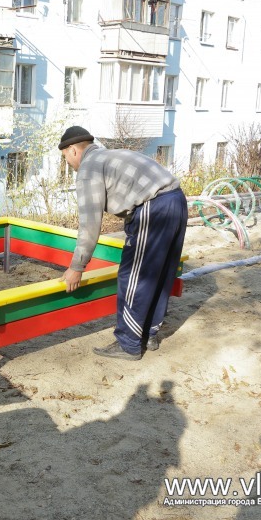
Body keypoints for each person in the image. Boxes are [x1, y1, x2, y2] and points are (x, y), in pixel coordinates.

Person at [58, 126, 188, 361]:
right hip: (176, 201)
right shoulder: (110, 156)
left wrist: (77, 267)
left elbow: (89, 223)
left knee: (133, 276)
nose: (68, 163)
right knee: (159, 273)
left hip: (154, 208)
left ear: (73, 150)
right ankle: (149, 333)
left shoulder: (89, 168)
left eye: (65, 157)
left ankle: (128, 343)